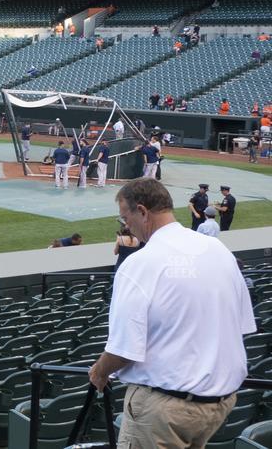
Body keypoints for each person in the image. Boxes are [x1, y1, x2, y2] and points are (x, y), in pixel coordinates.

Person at [89, 179, 254, 448]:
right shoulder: (218, 250)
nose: (125, 224)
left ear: (142, 211)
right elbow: (241, 325)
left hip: (166, 408)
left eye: (125, 216)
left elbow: (123, 350)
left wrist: (99, 372)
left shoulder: (140, 263)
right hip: (219, 404)